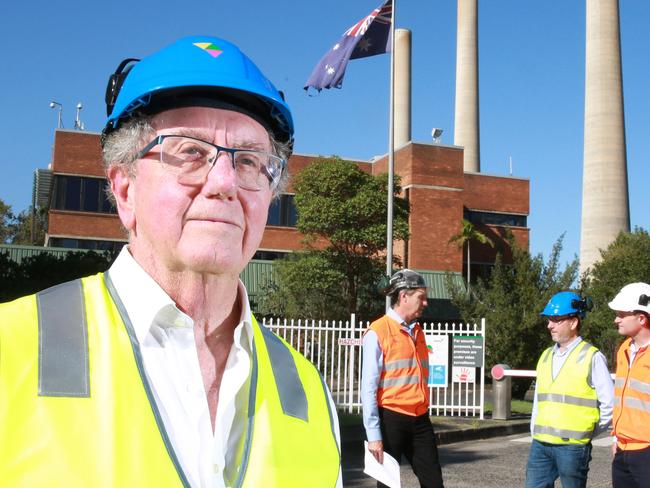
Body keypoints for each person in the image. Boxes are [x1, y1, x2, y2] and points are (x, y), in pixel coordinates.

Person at [0, 36, 341, 487]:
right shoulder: (13, 349)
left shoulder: (308, 391)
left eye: (249, 161)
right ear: (125, 189)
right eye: (190, 152)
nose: (224, 184)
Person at [361, 269, 444, 488]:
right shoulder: (378, 331)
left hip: (420, 419)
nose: (425, 303)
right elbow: (368, 387)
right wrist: (374, 435)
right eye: (421, 297)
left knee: (434, 483)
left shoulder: (418, 331)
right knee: (388, 485)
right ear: (403, 296)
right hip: (391, 421)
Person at [525, 291, 614, 488]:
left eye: (556, 320)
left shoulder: (592, 356)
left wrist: (587, 433)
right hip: (541, 444)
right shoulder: (546, 356)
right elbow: (539, 401)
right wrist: (534, 431)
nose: (549, 325)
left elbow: (609, 404)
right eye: (549, 320)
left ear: (573, 322)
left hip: (572, 447)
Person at [608, 282, 650, 487]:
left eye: (622, 314)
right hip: (623, 451)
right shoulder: (624, 349)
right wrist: (616, 438)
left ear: (641, 318)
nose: (616, 320)